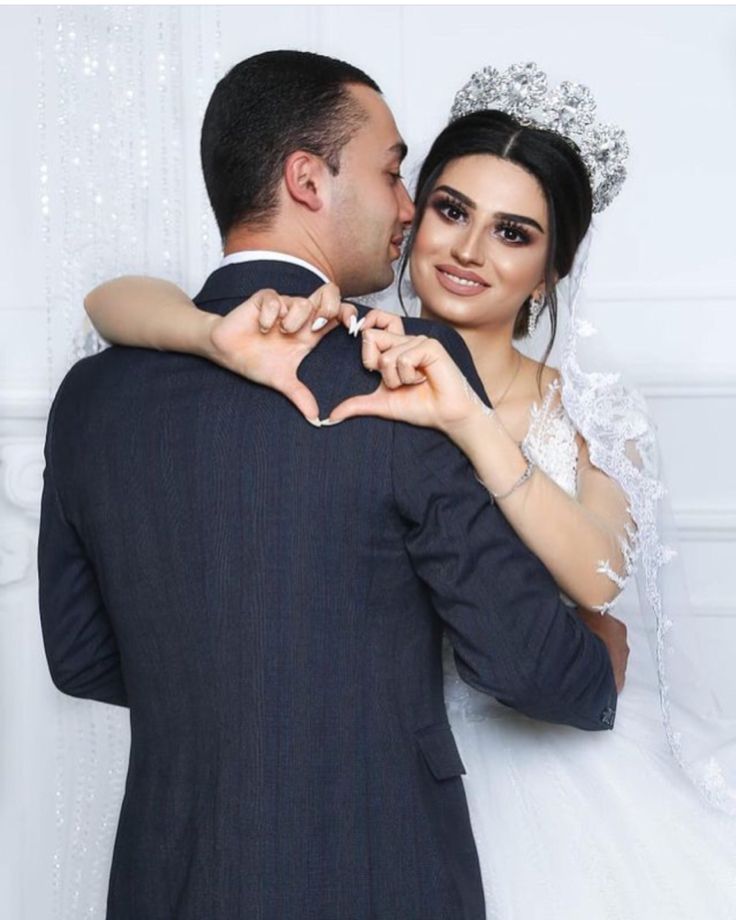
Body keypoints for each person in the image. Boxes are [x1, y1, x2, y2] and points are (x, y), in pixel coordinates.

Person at [85, 61, 736, 918]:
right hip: (369, 772)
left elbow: (600, 582)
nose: (467, 249)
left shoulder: (588, 407)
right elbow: (111, 299)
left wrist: (468, 420)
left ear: (549, 269)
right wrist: (207, 333)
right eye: (449, 210)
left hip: (533, 766)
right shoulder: (334, 343)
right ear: (412, 215)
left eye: (513, 233)